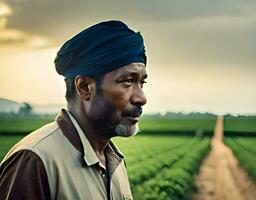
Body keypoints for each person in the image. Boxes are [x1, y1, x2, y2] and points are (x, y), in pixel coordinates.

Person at [0, 20, 147, 200]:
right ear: (84, 87)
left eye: (142, 82)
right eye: (128, 81)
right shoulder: (34, 161)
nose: (141, 98)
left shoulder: (113, 160)